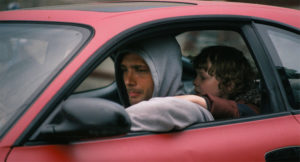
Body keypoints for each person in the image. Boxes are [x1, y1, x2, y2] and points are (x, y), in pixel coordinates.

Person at [114, 36, 214, 132]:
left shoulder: (190, 109)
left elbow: (161, 110)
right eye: (124, 70)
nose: (128, 81)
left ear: (166, 72)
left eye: (140, 70)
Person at [176, 45, 261, 119]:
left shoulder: (249, 111)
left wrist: (199, 101)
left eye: (203, 77)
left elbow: (235, 110)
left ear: (229, 85)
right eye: (196, 76)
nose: (195, 82)